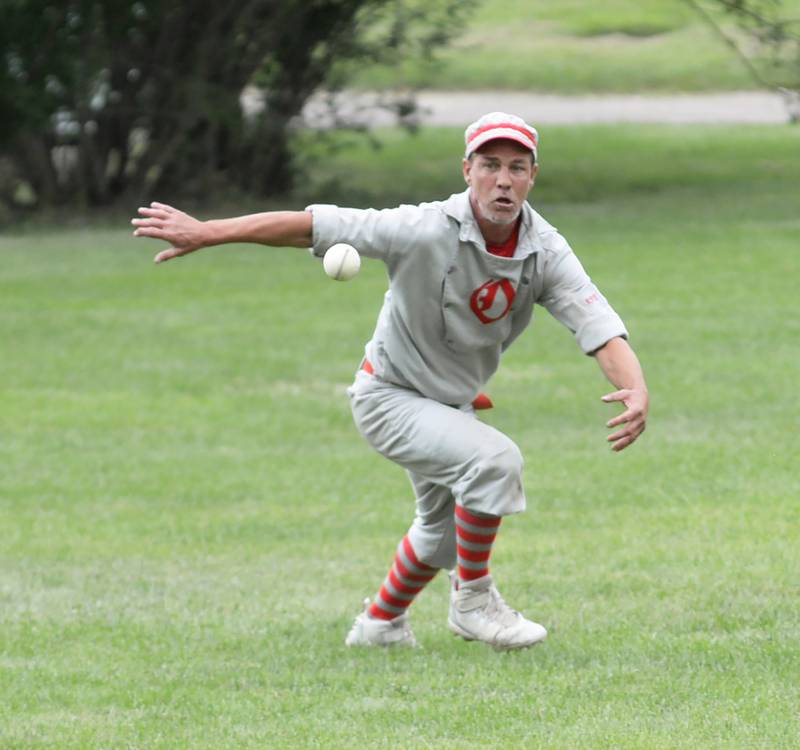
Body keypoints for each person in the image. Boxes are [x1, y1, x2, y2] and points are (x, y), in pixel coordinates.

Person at [132, 112, 649, 651]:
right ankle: (472, 602)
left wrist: (634, 388)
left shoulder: (544, 249)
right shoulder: (423, 228)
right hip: (388, 396)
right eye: (490, 165)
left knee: (442, 528)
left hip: (450, 405)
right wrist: (208, 232)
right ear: (467, 170)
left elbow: (597, 324)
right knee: (495, 462)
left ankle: (380, 624)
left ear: (532, 177)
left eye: (517, 168)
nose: (503, 180)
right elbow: (314, 225)